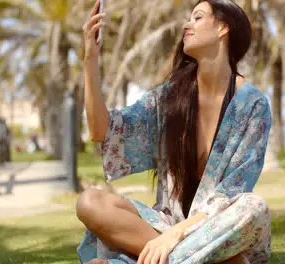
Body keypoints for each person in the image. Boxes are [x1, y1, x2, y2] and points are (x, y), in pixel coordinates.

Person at [77, 0, 272, 263]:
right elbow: (102, 130)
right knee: (89, 202)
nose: (186, 25)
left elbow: (232, 195)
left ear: (223, 28)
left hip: (216, 230)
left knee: (253, 206)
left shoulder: (252, 106)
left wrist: (176, 236)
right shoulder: (170, 97)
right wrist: (90, 58)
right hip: (164, 227)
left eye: (198, 17)